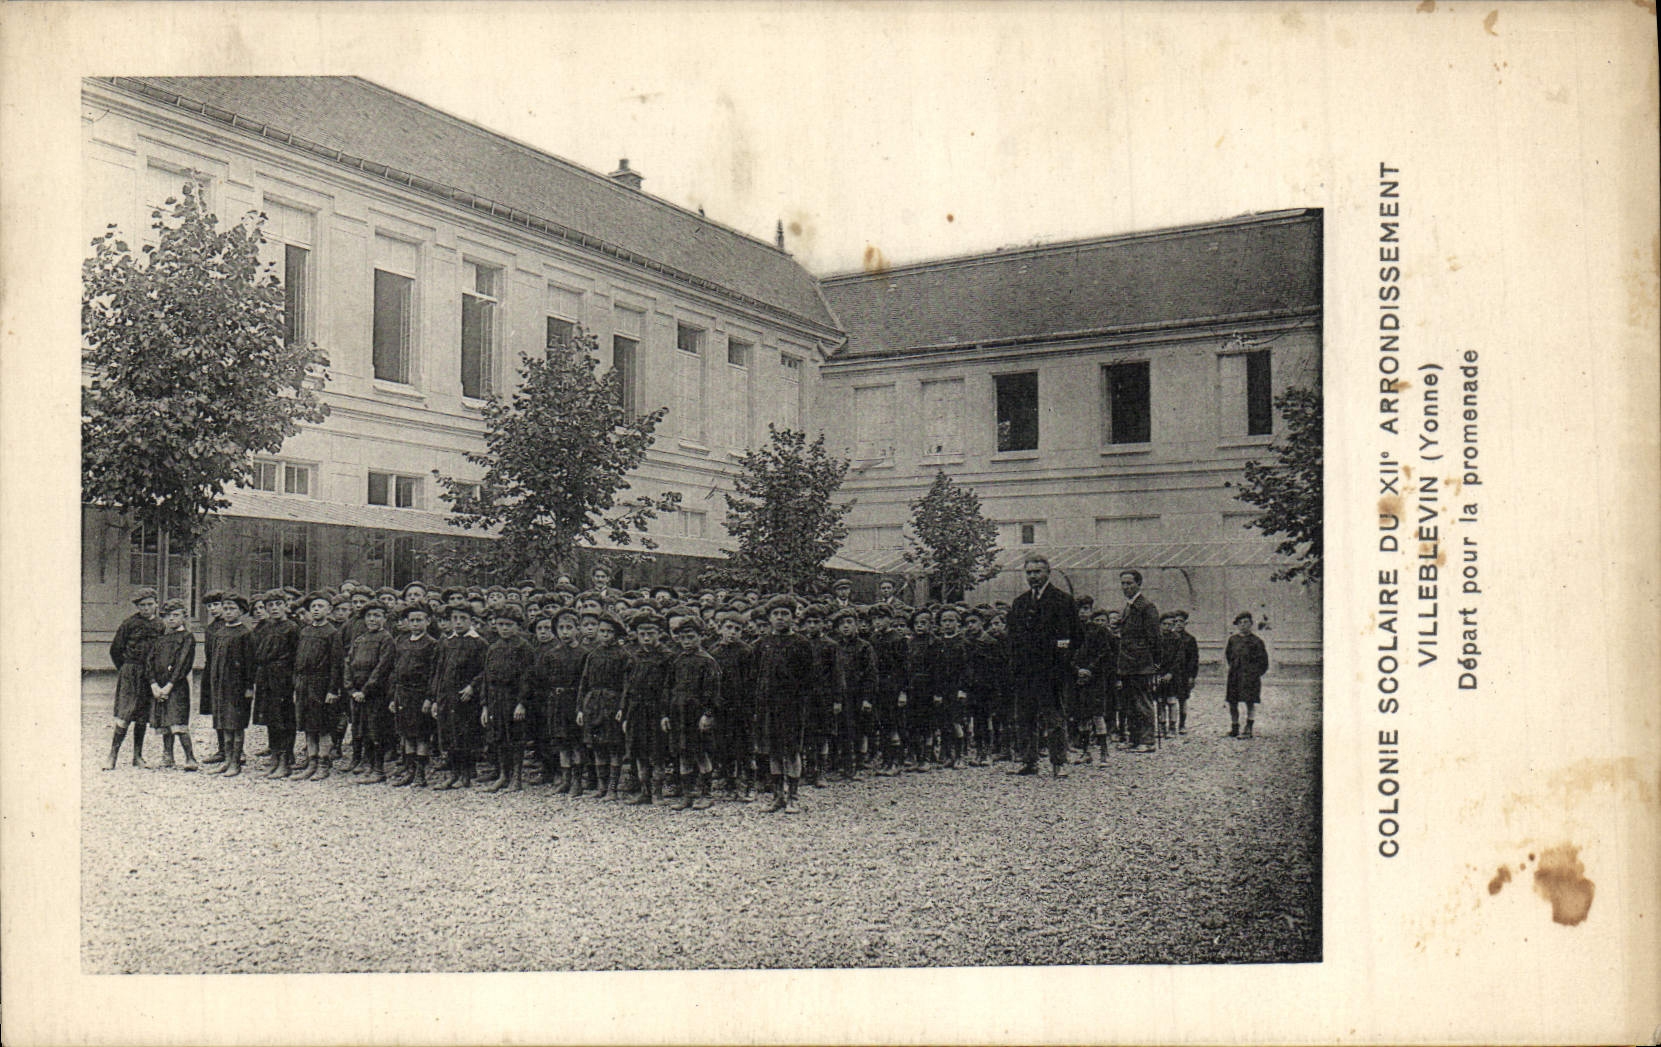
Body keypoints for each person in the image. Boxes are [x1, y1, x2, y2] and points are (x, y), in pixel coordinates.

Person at [1005, 555, 1078, 777]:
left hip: (1050, 671)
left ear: (1048, 572)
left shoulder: (1062, 600)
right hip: (1025, 672)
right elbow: (1013, 639)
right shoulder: (1020, 603)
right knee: (1024, 717)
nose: (1033, 577)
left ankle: (1059, 762)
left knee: (1054, 718)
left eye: (1037, 572)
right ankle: (1029, 761)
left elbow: (1072, 636)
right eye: (1029, 572)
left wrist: (1060, 664)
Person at [751, 595, 816, 813]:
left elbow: (809, 679)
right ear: (769, 618)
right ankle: (777, 795)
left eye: (784, 614)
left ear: (792, 617)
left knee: (792, 750)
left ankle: (794, 796)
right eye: (776, 614)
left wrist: (802, 704)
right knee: (773, 751)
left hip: (792, 706)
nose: (780, 618)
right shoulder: (761, 644)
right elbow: (755, 676)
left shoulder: (802, 643)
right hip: (767, 705)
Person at [665, 613, 722, 810]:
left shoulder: (708, 661)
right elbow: (669, 688)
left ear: (701, 636)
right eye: (683, 637)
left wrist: (708, 714)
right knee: (683, 753)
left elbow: (712, 691)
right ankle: (687, 794)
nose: (687, 642)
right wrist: (666, 714)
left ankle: (706, 793)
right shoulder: (677, 660)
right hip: (679, 713)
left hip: (697, 715)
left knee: (701, 753)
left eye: (692, 637)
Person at [480, 605, 536, 793]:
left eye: (509, 625)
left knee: (515, 737)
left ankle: (517, 777)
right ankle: (503, 775)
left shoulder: (524, 648)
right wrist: (485, 705)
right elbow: (486, 677)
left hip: (514, 699)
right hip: (496, 698)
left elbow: (527, 678)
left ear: (517, 626)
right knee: (499, 737)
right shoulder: (493, 647)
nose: (504, 628)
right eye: (501, 624)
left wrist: (522, 703)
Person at [430, 606, 487, 789]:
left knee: (466, 735)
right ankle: (453, 774)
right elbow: (439, 671)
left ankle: (466, 774)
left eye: (463, 618)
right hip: (448, 696)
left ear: (471, 620)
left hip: (466, 698)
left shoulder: (479, 644)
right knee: (449, 734)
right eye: (455, 618)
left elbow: (485, 671)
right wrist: (436, 699)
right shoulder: (446, 643)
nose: (458, 622)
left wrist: (472, 686)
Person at [105, 587, 163, 770]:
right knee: (125, 713)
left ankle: (137, 756)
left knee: (142, 715)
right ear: (137, 607)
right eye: (142, 605)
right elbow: (115, 649)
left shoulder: (161, 625)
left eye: (149, 605)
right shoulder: (129, 624)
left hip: (150, 674)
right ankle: (112, 755)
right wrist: (125, 669)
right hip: (131, 672)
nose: (146, 608)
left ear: (156, 604)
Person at [291, 592, 345, 781]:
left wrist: (332, 690)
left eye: (320, 606)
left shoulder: (332, 633)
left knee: (323, 727)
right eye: (313, 607)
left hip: (322, 685)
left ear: (329, 610)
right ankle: (311, 762)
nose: (316, 610)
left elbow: (337, 664)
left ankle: (323, 763)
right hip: (304, 684)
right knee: (308, 725)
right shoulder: (305, 631)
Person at [387, 605, 441, 787]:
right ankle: (409, 770)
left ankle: (420, 773)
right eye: (412, 620)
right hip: (403, 692)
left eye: (419, 620)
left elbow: (434, 673)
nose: (416, 624)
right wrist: (393, 695)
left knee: (421, 734)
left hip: (420, 693)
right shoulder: (401, 641)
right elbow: (394, 669)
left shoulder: (432, 644)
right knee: (406, 733)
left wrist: (430, 697)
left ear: (428, 621)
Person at [344, 602, 397, 784]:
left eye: (377, 615)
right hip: (357, 693)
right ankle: (366, 764)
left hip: (375, 693)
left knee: (377, 730)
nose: (372, 619)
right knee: (362, 729)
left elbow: (382, 668)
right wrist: (351, 689)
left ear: (384, 618)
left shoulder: (386, 639)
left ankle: (379, 769)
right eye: (369, 616)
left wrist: (366, 690)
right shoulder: (360, 639)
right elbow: (348, 663)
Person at [252, 591, 301, 778]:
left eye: (278, 604)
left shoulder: (292, 628)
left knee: (284, 719)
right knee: (271, 718)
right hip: (266, 677)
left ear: (285, 606)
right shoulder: (265, 627)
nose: (274, 608)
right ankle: (274, 757)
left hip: (284, 678)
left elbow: (297, 657)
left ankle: (285, 760)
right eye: (270, 605)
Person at [206, 593, 256, 777]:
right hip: (221, 686)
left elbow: (250, 663)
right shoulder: (219, 633)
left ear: (242, 611)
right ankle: (227, 759)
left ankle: (236, 762)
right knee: (224, 724)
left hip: (237, 687)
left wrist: (249, 686)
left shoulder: (245, 633)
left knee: (236, 724)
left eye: (232, 609)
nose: (228, 612)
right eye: (225, 609)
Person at [147, 599, 199, 771]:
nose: (171, 619)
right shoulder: (161, 639)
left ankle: (190, 758)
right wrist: (154, 684)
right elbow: (150, 662)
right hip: (159, 686)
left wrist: (169, 685)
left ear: (184, 617)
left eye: (176, 615)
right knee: (165, 722)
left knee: (178, 722)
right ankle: (168, 756)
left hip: (176, 687)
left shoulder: (187, 638)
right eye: (167, 616)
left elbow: (182, 664)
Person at [1116, 570, 1162, 753]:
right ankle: (1134, 739)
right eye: (1123, 584)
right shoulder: (1128, 607)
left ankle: (1147, 740)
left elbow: (1155, 638)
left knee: (1142, 702)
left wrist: (1155, 663)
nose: (1125, 587)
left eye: (1129, 583)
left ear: (1139, 584)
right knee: (1129, 703)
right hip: (1127, 663)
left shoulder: (1146, 607)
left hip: (1141, 663)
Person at [1225, 612, 1269, 738]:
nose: (1243, 625)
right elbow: (1229, 656)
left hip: (1250, 677)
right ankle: (1234, 727)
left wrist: (1255, 674)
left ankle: (1249, 727)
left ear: (1251, 624)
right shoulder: (1233, 640)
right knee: (1232, 701)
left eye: (1246, 622)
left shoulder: (1257, 641)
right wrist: (1234, 667)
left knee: (1250, 701)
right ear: (1237, 625)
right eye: (1240, 623)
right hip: (1235, 675)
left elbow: (1264, 662)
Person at [1170, 610, 1199, 735]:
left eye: (1181, 621)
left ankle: (1182, 724)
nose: (1178, 624)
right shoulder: (1168, 637)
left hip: (1183, 674)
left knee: (1182, 699)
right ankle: (1169, 725)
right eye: (1175, 621)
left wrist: (1192, 676)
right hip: (1171, 673)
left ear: (1185, 623)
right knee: (1169, 699)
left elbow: (1194, 659)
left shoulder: (1190, 639)